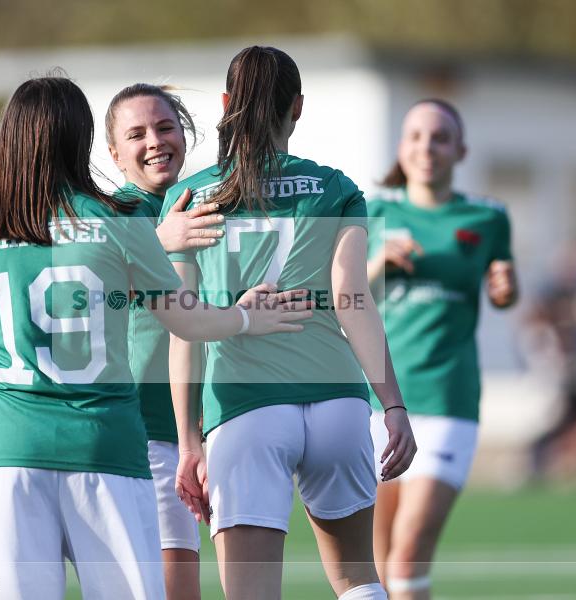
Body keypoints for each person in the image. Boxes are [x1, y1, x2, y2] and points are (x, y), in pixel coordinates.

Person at [0, 75, 312, 600]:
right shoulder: (114, 221)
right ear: (87, 140)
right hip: (106, 446)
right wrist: (244, 318)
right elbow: (187, 320)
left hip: (3, 451)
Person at [162, 46, 416, 600]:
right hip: (338, 404)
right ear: (297, 107)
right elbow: (353, 298)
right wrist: (392, 405)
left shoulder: (192, 197)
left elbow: (184, 328)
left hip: (245, 408)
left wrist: (187, 441)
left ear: (227, 104)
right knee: (358, 583)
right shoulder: (335, 188)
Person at [366, 99, 519, 599]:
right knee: (375, 564)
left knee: (408, 556)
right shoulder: (373, 212)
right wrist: (377, 263)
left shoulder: (488, 217)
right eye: (415, 136)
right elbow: (341, 299)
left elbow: (503, 288)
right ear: (401, 147)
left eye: (439, 137)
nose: (426, 147)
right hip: (376, 402)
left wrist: (505, 289)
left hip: (447, 399)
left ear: (461, 150)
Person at [105, 83, 224, 600]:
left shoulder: (202, 200)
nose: (154, 141)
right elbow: (83, 294)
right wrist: (158, 244)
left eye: (164, 127)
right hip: (140, 433)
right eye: (136, 134)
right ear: (114, 153)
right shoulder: (108, 214)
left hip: (203, 432)